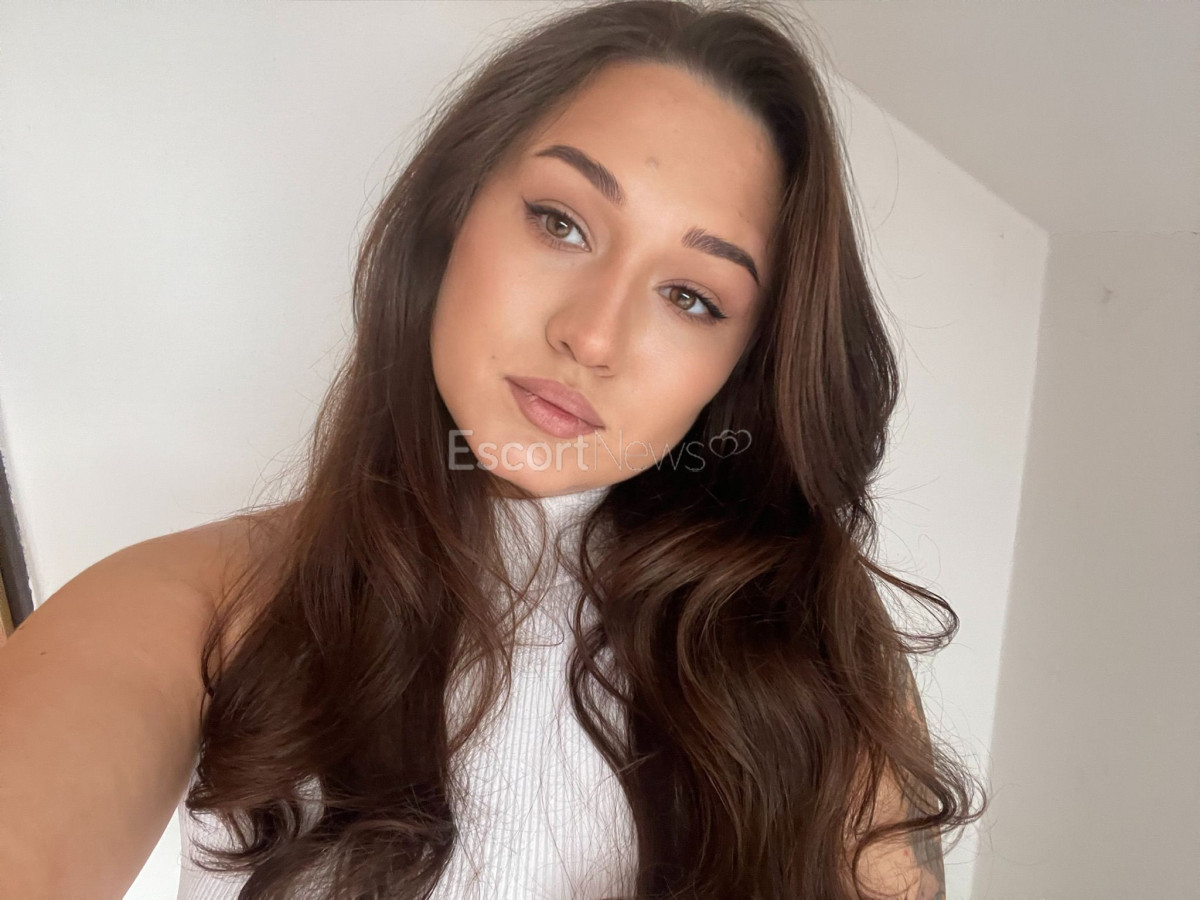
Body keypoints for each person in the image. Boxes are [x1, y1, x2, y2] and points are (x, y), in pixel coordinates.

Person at [0, 0, 986, 897]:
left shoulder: (811, 651)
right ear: (452, 211)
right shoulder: (203, 602)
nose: (591, 336)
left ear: (739, 365)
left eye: (691, 297)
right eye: (561, 222)